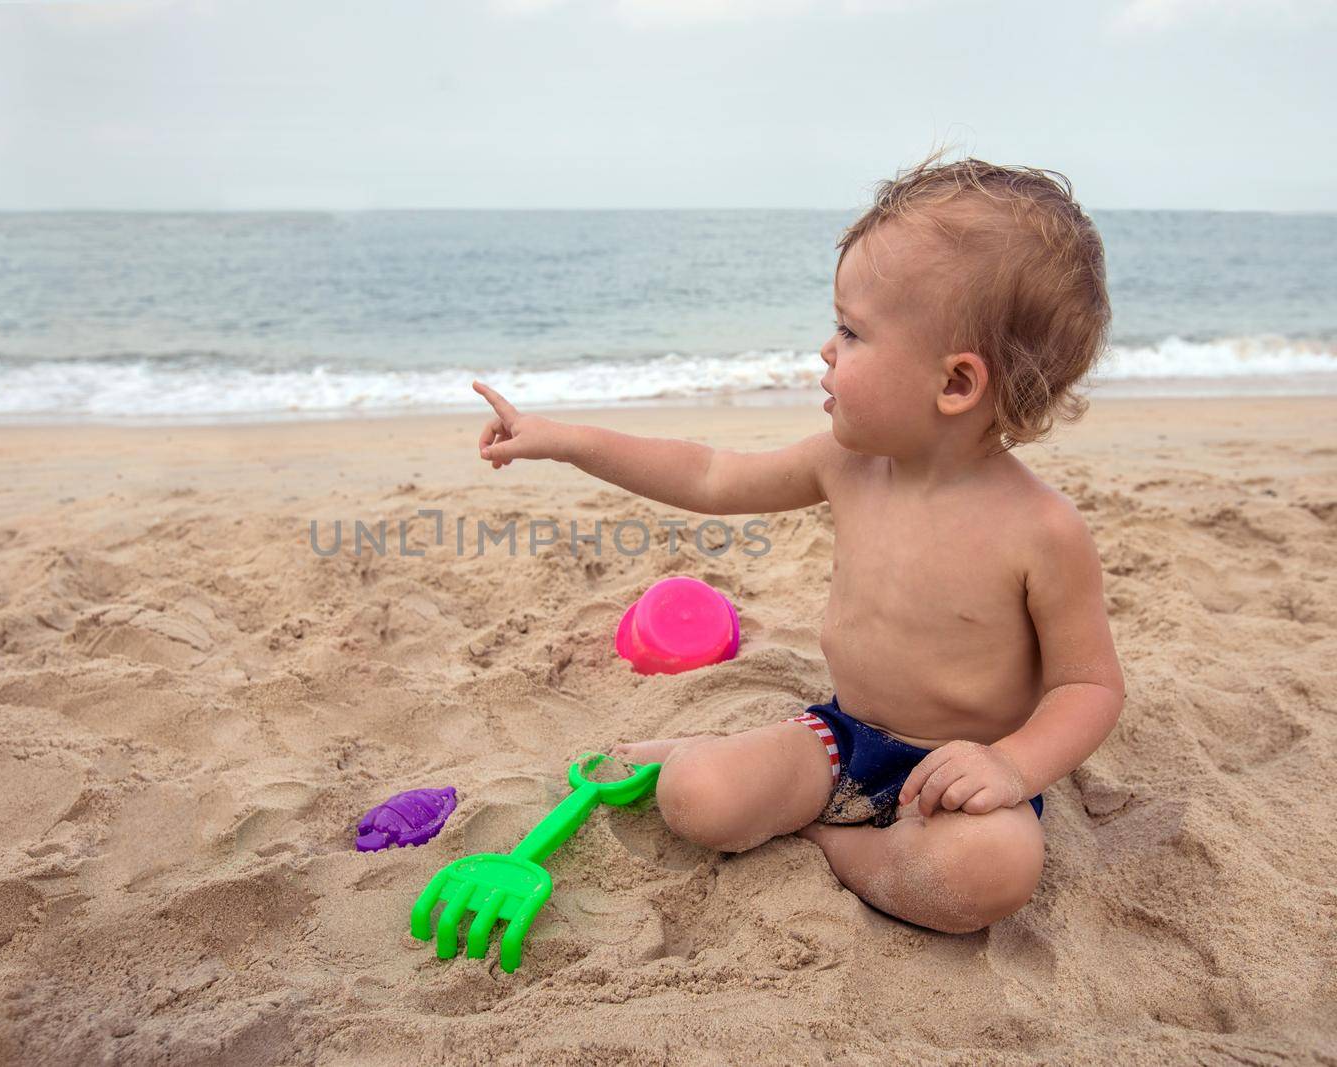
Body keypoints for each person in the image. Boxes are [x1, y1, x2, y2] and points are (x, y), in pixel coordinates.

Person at [469, 152, 1125, 935]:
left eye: (851, 331)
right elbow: (711, 475)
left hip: (959, 780)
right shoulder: (847, 464)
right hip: (841, 740)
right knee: (695, 797)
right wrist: (567, 438)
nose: (825, 349)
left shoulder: (1042, 530)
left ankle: (830, 844)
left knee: (993, 871)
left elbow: (1089, 687)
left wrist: (1010, 767)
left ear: (955, 384)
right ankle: (820, 814)